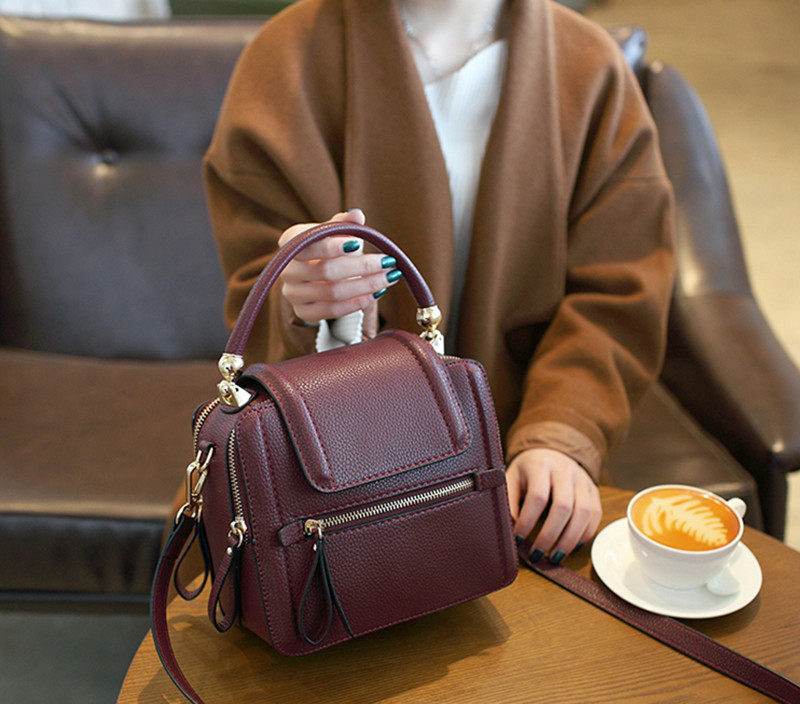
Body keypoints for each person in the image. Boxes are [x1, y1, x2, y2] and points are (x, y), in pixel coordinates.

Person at [202, 0, 675, 564]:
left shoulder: (589, 65)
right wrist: (308, 308)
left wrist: (561, 433)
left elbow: (617, 293)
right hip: (334, 480)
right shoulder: (285, 59)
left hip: (525, 475)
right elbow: (255, 291)